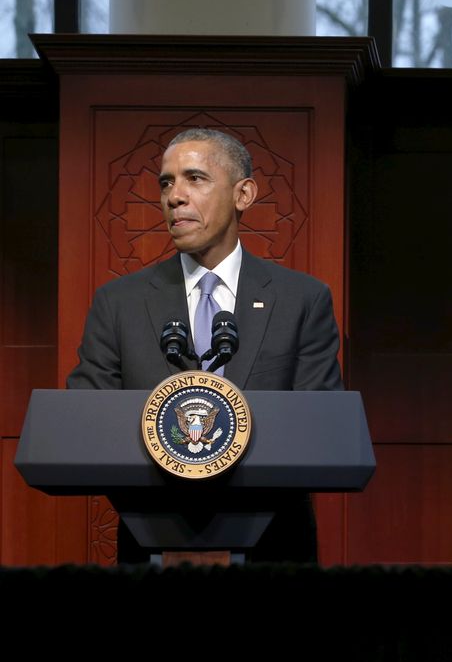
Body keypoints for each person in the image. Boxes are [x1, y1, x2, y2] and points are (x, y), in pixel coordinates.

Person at [67, 127, 343, 563]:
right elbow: (85, 420)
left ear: (244, 194)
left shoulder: (301, 300)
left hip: (274, 547)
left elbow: (318, 423)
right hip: (150, 541)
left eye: (194, 178)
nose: (174, 196)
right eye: (166, 182)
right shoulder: (117, 303)